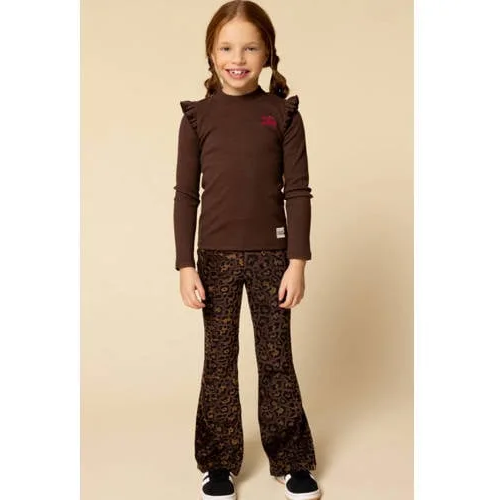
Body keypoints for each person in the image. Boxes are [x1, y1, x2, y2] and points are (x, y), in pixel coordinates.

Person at [173, 1, 321, 499]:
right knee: (219, 360)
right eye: (227, 48)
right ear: (211, 54)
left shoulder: (284, 114)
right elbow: (186, 196)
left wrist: (297, 263)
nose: (237, 59)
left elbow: (297, 192)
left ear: (268, 54)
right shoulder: (197, 118)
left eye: (250, 48)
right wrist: (185, 265)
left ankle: (291, 459)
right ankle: (218, 463)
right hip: (213, 258)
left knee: (276, 357)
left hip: (271, 258)